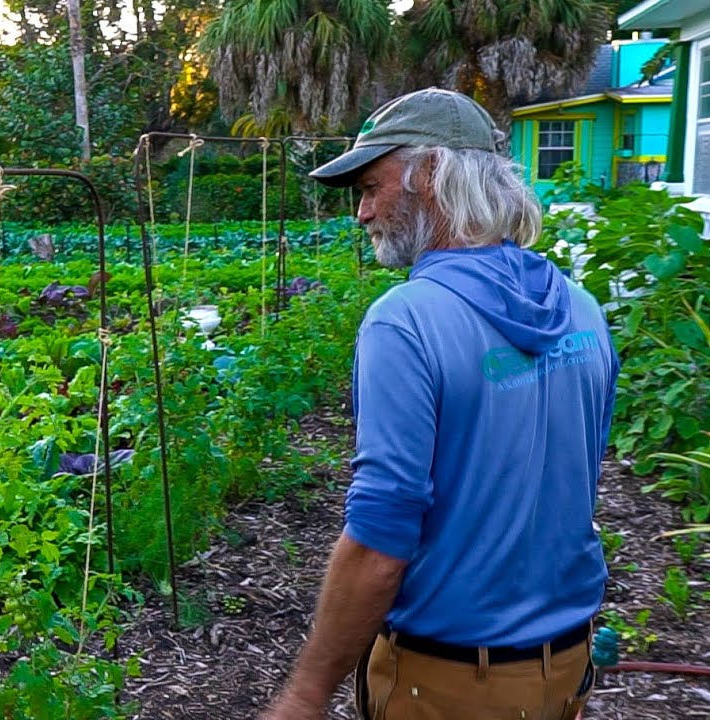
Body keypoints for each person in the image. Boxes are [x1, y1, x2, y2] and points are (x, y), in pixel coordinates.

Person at [260, 88, 619, 720]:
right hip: (565, 671)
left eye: (372, 185)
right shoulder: (582, 309)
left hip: (448, 683)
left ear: (431, 172)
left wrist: (305, 694)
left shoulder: (406, 322)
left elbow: (379, 544)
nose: (362, 212)